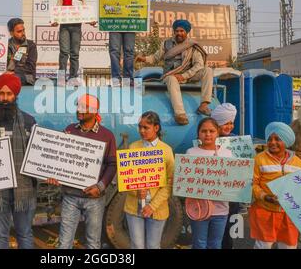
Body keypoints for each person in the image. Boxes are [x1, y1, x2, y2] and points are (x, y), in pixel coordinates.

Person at [46, 94, 117, 249]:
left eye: (84, 107)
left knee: (92, 243)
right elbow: (60, 158)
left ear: (94, 110)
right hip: (70, 196)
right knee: (64, 242)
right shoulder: (69, 130)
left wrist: (100, 187)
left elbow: (112, 165)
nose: (79, 110)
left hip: (95, 199)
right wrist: (54, 175)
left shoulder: (107, 135)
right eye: (78, 106)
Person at [0, 73, 37, 249]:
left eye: (9, 94)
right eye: (1, 94)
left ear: (15, 96)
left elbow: (37, 155)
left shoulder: (29, 122)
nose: (5, 98)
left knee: (25, 234)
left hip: (24, 189)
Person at [94, 0, 156, 87]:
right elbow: (104, 0)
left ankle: (128, 79)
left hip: (130, 24)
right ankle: (116, 79)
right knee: (114, 51)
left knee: (129, 51)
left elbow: (142, 2)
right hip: (114, 23)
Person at [136, 19, 213, 125]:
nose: (179, 33)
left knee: (208, 70)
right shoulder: (166, 44)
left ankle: (204, 105)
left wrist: (184, 75)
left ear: (186, 32)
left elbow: (199, 65)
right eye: (177, 31)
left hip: (189, 75)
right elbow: (155, 58)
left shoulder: (192, 46)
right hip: (171, 75)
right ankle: (180, 114)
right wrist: (143, 59)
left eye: (182, 31)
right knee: (171, 79)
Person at [250, 121, 301, 249]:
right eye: (269, 139)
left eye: (277, 139)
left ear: (286, 141)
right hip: (265, 212)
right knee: (263, 246)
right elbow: (252, 184)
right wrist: (265, 196)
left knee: (288, 246)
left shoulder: (299, 164)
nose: (272, 142)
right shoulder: (259, 160)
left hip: (289, 216)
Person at [124, 111, 174, 249]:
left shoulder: (166, 151)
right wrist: (136, 191)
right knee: (137, 246)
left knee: (153, 246)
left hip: (157, 208)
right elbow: (127, 177)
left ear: (156, 128)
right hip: (134, 207)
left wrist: (152, 206)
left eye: (146, 127)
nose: (141, 130)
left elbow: (169, 183)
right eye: (140, 127)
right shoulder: (133, 147)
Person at [186, 117, 233, 249]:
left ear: (218, 132)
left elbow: (233, 180)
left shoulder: (227, 154)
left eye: (211, 131)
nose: (207, 134)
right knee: (199, 244)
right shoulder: (191, 153)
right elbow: (186, 181)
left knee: (215, 245)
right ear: (198, 133)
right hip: (198, 209)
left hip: (221, 209)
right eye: (204, 131)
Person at [53, 0, 95, 86]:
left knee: (75, 53)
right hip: (64, 27)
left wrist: (90, 21)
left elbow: (84, 13)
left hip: (77, 27)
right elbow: (58, 10)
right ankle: (61, 79)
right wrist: (55, 20)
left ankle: (73, 78)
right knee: (64, 52)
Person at [211, 103, 241, 249]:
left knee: (229, 229)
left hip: (231, 194)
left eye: (231, 123)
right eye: (225, 123)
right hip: (212, 194)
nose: (229, 126)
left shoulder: (237, 141)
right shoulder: (207, 140)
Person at [6, 18, 38, 86]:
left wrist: (13, 72)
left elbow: (30, 67)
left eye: (23, 30)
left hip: (27, 77)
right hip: (7, 75)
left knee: (12, 78)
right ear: (11, 33)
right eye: (19, 31)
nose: (23, 33)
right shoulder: (5, 45)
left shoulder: (30, 45)